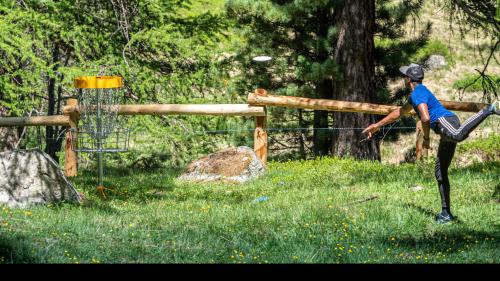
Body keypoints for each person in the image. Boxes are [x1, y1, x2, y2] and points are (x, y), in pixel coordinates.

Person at [362, 63, 499, 224]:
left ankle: (487, 110)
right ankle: (446, 214)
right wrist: (377, 126)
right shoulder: (417, 94)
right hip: (443, 126)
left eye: (405, 76)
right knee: (440, 171)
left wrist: (426, 138)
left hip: (445, 121)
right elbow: (399, 112)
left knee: (457, 135)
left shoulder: (417, 94)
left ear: (408, 80)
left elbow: (425, 118)